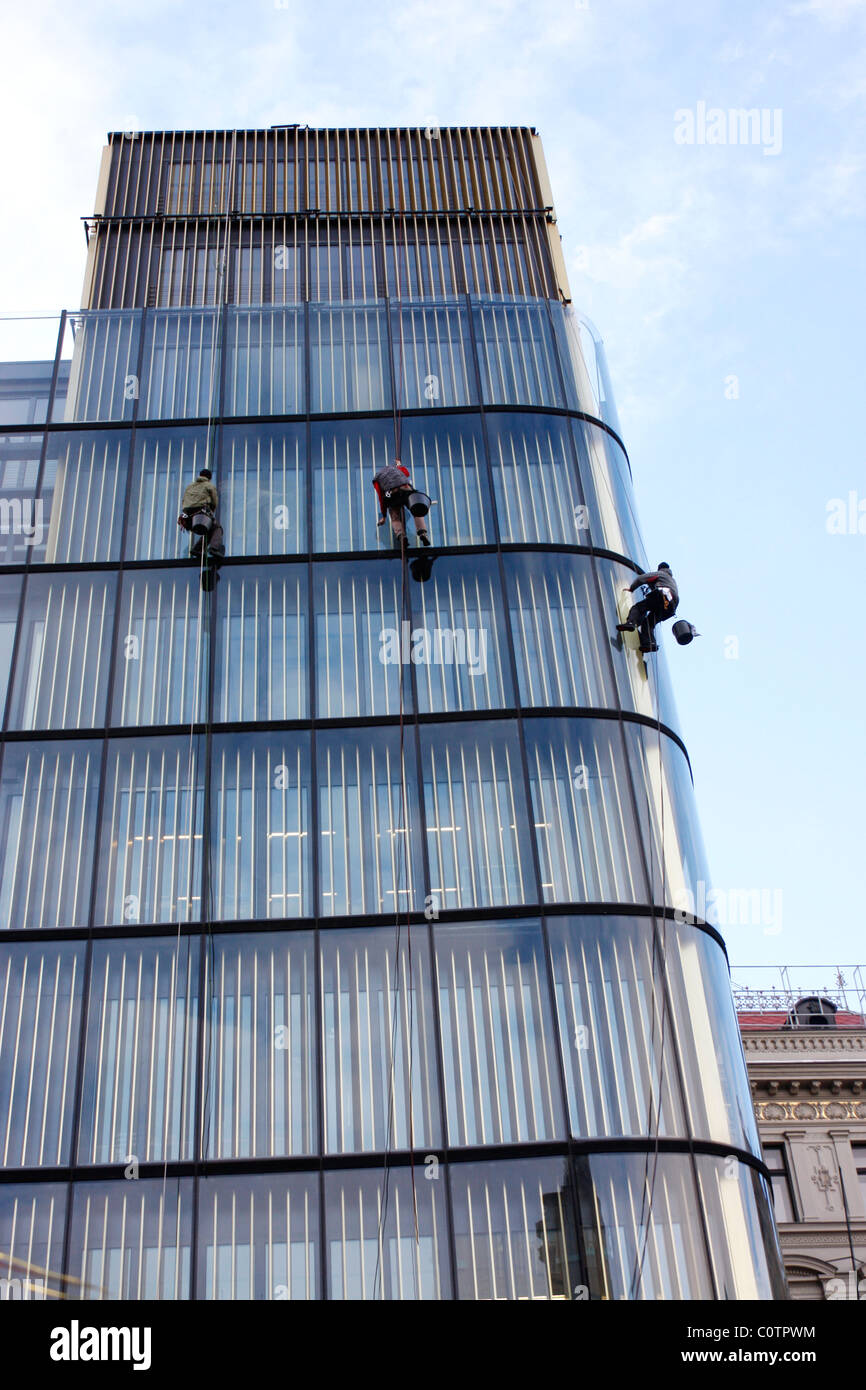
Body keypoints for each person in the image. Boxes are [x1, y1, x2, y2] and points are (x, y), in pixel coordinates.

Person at [616, 563, 679, 650]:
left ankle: (631, 623)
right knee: (648, 623)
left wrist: (632, 588)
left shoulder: (661, 574)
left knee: (638, 608)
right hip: (670, 608)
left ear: (660, 569)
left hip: (663, 595)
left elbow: (641, 578)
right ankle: (650, 643)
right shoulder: (672, 581)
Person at [372, 461, 431, 547]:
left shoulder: (376, 478)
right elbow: (407, 473)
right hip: (405, 488)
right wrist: (399, 465)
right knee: (416, 509)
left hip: (392, 494)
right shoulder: (396, 469)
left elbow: (381, 497)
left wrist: (384, 516)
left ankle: (401, 536)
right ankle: (422, 533)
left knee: (395, 518)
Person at [178, 468, 225, 562]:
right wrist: (211, 512)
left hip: (187, 517)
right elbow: (214, 501)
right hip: (201, 514)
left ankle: (197, 549)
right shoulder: (209, 485)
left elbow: (184, 501)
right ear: (209, 478)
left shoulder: (190, 486)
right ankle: (214, 548)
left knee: (209, 531)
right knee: (217, 528)